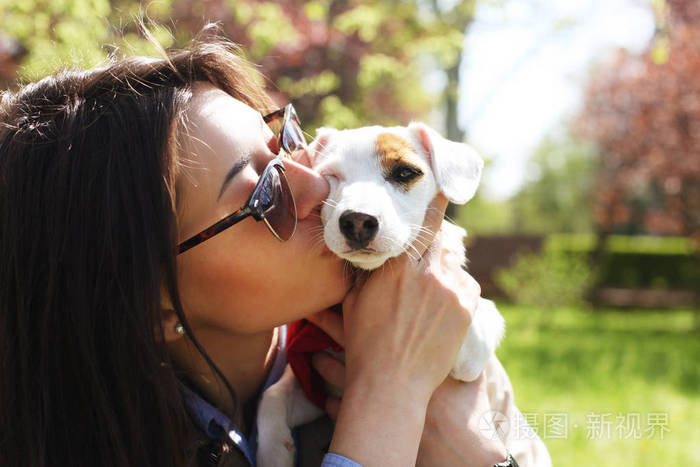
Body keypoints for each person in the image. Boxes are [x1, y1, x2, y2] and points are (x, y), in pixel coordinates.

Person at [0, 29, 548, 467]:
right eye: (262, 191)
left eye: (285, 143)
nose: (317, 184)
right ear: (150, 302)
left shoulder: (432, 327)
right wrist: (388, 401)